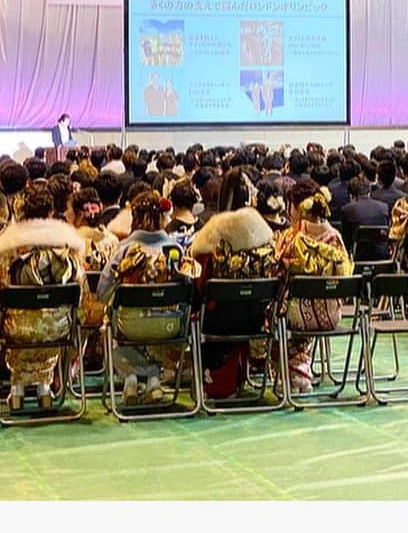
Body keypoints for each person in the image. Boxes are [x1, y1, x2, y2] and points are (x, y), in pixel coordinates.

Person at [0, 180, 87, 411]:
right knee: (48, 322)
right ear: (51, 212)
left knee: (16, 323)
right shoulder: (68, 243)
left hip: (16, 326)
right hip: (58, 325)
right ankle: (44, 387)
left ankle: (17, 390)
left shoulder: (6, 247)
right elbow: (80, 288)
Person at [97, 191, 199, 405]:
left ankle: (132, 377)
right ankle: (153, 379)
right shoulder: (176, 250)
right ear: (164, 217)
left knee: (111, 321)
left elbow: (102, 292)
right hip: (170, 325)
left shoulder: (123, 251)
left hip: (130, 325)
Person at [191, 168, 278, 398]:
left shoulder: (211, 234)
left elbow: (198, 284)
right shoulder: (265, 235)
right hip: (256, 319)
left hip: (217, 321)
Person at [273, 184, 352, 393]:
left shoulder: (292, 237)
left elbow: (277, 270)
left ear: (297, 208)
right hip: (331, 315)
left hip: (297, 315)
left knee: (273, 311)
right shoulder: (335, 237)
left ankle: (294, 372)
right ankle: (300, 370)